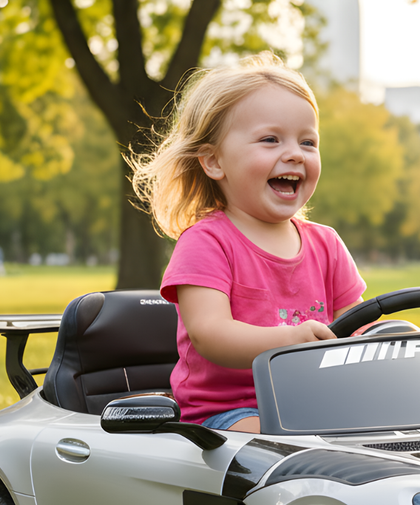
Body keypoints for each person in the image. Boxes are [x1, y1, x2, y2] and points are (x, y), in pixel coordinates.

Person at [133, 53, 364, 434]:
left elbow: (357, 326)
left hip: (315, 405)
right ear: (213, 162)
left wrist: (393, 339)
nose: (294, 153)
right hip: (229, 413)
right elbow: (210, 335)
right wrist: (291, 339)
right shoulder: (206, 242)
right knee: (279, 445)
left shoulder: (327, 244)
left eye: (308, 142)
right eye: (271, 140)